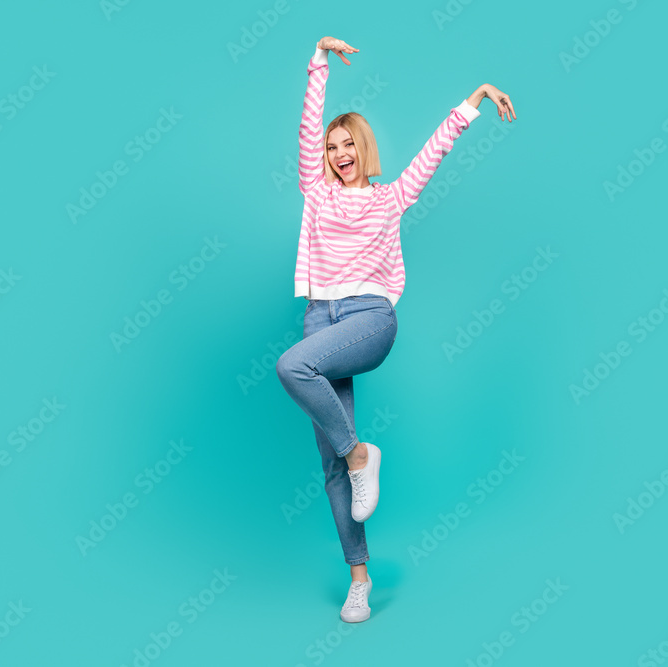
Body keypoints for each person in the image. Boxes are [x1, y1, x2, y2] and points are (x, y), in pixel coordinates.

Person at [276, 35, 516, 624]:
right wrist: (318, 65)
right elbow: (307, 132)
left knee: (292, 367)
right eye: (331, 147)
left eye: (347, 144)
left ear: (364, 147)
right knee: (330, 463)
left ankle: (363, 456)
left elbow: (435, 150)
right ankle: (359, 579)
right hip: (319, 316)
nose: (337, 153)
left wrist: (475, 99)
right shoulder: (316, 192)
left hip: (368, 319)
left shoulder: (391, 198)